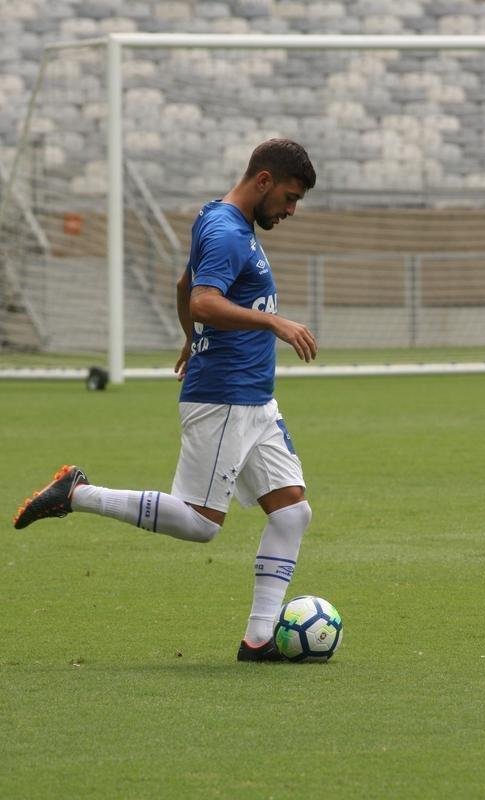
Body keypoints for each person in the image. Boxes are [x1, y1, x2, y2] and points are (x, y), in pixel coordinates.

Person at [13, 138, 318, 662]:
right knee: (200, 524)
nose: (290, 210)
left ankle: (259, 640)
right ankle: (78, 493)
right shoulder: (226, 230)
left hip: (254, 400)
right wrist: (272, 322)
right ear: (263, 180)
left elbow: (184, 287)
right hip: (226, 397)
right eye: (289, 197)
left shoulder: (220, 220)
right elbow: (202, 298)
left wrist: (190, 338)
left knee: (292, 512)